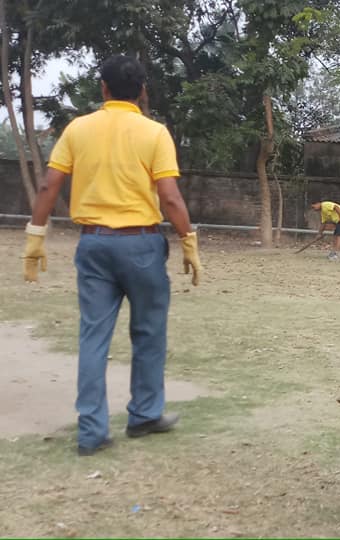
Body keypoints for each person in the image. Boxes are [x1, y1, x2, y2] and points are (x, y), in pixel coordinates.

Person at [21, 55, 202, 457]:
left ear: (103, 88)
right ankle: (144, 415)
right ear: (142, 91)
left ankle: (91, 432)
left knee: (93, 336)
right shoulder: (155, 133)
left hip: (94, 244)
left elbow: (50, 186)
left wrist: (35, 236)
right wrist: (188, 241)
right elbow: (170, 197)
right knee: (149, 333)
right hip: (142, 244)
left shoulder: (78, 129)